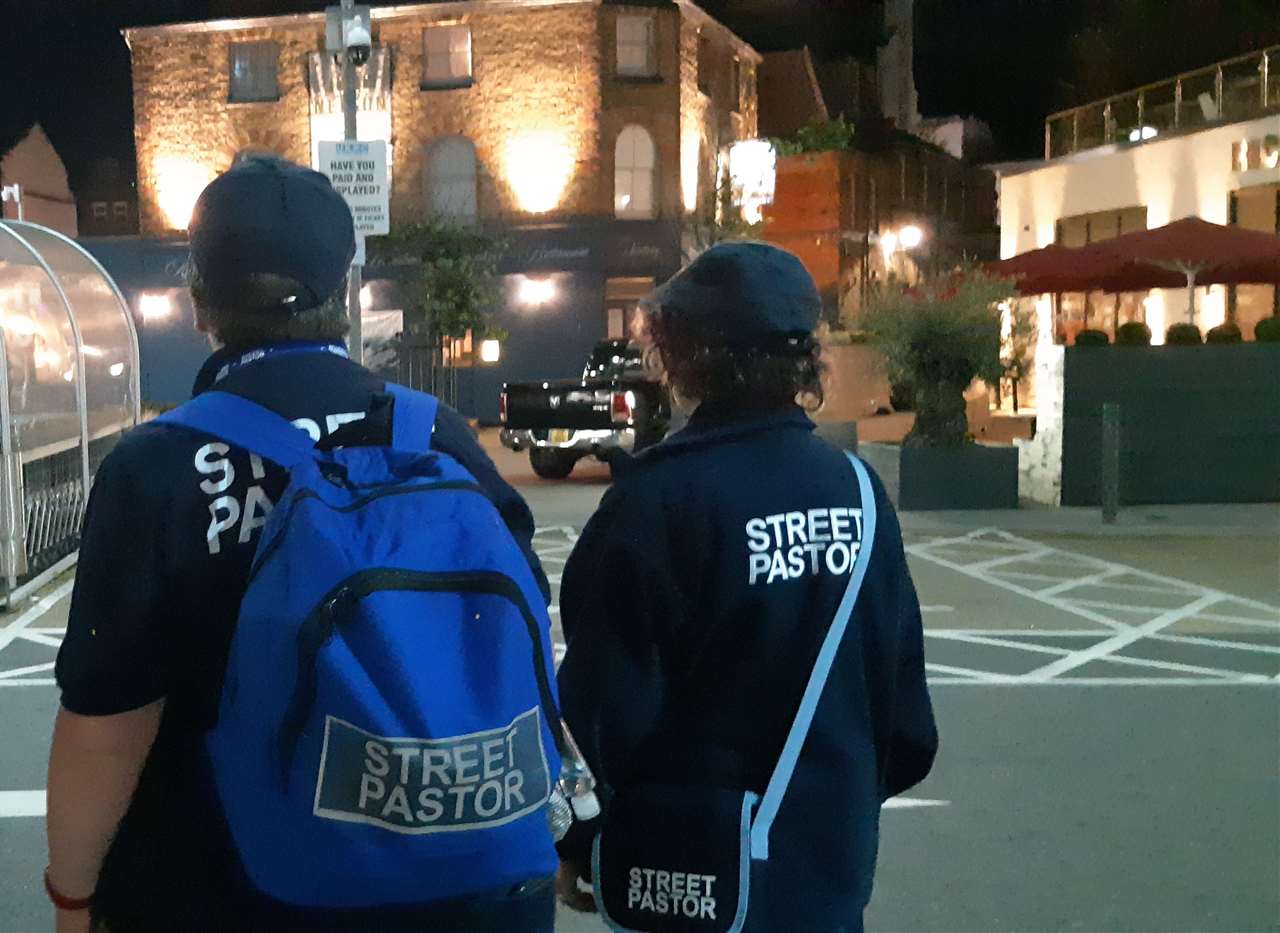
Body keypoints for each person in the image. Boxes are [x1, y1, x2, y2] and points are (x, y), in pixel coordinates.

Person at [47, 156, 555, 933]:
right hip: (465, 890)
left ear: (199, 304)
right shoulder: (439, 437)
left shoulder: (156, 466)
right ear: (344, 294)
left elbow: (106, 724)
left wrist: (73, 896)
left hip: (229, 889)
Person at [553, 242, 937, 931]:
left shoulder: (657, 504)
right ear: (804, 360)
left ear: (680, 354)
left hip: (696, 882)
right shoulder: (858, 490)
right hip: (827, 877)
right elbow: (905, 721)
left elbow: (601, 716)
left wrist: (577, 840)